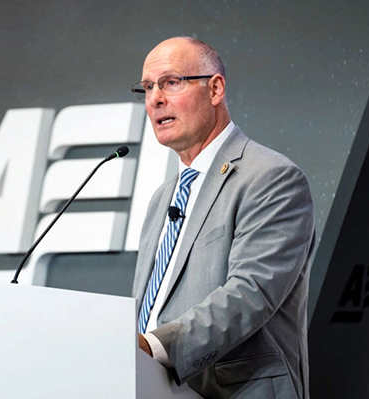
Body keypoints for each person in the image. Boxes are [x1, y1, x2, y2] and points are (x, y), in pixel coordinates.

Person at [131, 37, 315, 399]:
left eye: (171, 82)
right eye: (148, 87)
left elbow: (251, 291)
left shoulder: (270, 176)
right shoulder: (161, 198)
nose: (155, 98)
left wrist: (153, 347)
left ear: (215, 89)